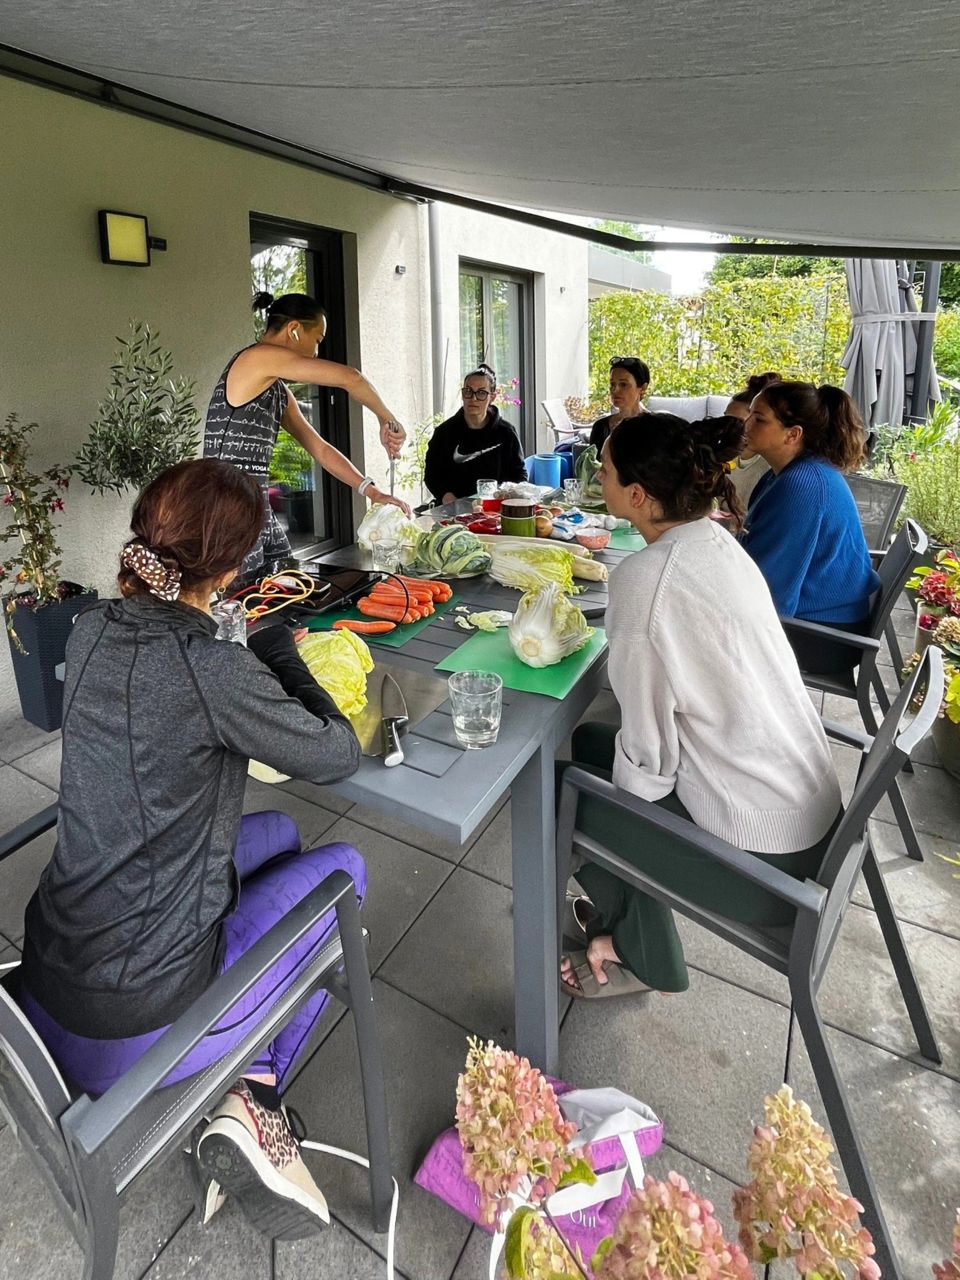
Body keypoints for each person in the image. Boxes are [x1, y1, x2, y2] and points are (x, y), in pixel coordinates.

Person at [19, 458, 365, 1237]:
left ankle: (243, 1074)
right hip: (130, 1025)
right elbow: (336, 753)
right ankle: (253, 1098)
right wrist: (278, 649)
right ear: (232, 570)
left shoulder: (90, 627)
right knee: (346, 871)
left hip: (53, 971)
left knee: (280, 836)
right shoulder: (211, 666)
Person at [558, 413, 842, 998]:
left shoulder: (644, 579)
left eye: (605, 470)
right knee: (591, 744)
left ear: (637, 495)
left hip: (763, 863)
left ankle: (639, 953)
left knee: (556, 789)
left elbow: (649, 761)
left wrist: (617, 819)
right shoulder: (716, 541)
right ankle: (620, 930)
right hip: (805, 815)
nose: (598, 476)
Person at [204, 291, 411, 575]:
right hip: (227, 509)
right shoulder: (256, 358)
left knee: (287, 586)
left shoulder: (277, 390)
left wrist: (372, 492)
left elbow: (320, 449)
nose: (316, 353)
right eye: (317, 340)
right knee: (248, 598)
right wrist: (386, 419)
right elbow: (351, 378)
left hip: (256, 507)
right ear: (294, 329)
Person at [739, 380, 880, 676]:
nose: (746, 424)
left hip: (823, 637)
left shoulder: (802, 485)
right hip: (818, 620)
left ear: (793, 434)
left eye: (759, 419)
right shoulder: (787, 474)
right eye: (749, 414)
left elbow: (770, 590)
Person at [423, 362, 526, 503]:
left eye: (481, 393)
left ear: (492, 397)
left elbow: (519, 475)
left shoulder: (506, 433)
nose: (473, 398)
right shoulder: (444, 433)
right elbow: (432, 475)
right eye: (468, 391)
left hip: (496, 508)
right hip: (455, 509)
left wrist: (506, 497)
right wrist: (447, 498)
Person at [723, 371, 780, 508]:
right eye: (725, 419)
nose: (728, 428)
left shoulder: (770, 467)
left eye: (739, 422)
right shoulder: (722, 456)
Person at [588, 357, 650, 451]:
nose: (615, 390)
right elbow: (593, 459)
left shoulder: (657, 427)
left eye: (623, 384)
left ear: (643, 388)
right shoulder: (601, 427)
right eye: (612, 384)